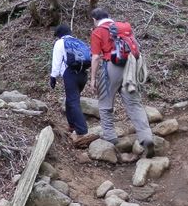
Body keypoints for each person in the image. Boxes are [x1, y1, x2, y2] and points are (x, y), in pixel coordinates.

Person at [89, 8, 155, 156]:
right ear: (109, 17)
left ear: (94, 19)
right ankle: (146, 138)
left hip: (111, 68)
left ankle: (110, 137)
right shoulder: (123, 29)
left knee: (105, 103)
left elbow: (95, 57)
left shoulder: (98, 32)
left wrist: (93, 78)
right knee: (134, 105)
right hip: (130, 68)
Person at [49, 24, 89, 137]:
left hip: (71, 74)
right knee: (71, 99)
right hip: (83, 75)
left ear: (59, 35)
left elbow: (56, 62)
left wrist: (53, 77)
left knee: (73, 102)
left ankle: (82, 131)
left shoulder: (60, 43)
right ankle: (71, 125)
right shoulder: (78, 41)